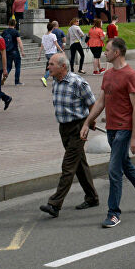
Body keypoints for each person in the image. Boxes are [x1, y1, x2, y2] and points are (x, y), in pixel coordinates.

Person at [82, 37, 135, 229]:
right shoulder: (107, 75)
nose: (104, 53)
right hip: (111, 128)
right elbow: (100, 102)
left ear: (116, 53)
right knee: (124, 164)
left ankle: (113, 213)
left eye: (107, 50)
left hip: (124, 128)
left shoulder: (131, 75)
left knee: (114, 170)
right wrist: (87, 122)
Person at [38, 53, 99, 218]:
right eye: (48, 64)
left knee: (68, 166)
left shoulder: (77, 82)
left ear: (62, 66)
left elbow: (93, 104)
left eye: (51, 64)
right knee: (79, 164)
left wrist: (89, 122)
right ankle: (92, 197)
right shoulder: (56, 82)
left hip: (78, 127)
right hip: (64, 128)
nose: (48, 67)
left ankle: (55, 204)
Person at [40, 21, 63, 86]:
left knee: (53, 66)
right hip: (52, 53)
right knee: (54, 67)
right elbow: (57, 44)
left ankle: (55, 81)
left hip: (47, 54)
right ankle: (44, 78)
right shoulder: (53, 35)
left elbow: (42, 46)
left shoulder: (44, 36)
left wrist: (39, 55)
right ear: (52, 28)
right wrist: (61, 51)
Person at [2, 21, 24, 86]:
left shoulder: (4, 32)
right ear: (15, 25)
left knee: (8, 67)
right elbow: (19, 42)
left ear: (8, 24)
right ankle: (17, 82)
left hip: (7, 51)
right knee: (17, 66)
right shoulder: (16, 32)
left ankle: (4, 77)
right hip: (15, 51)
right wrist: (22, 51)